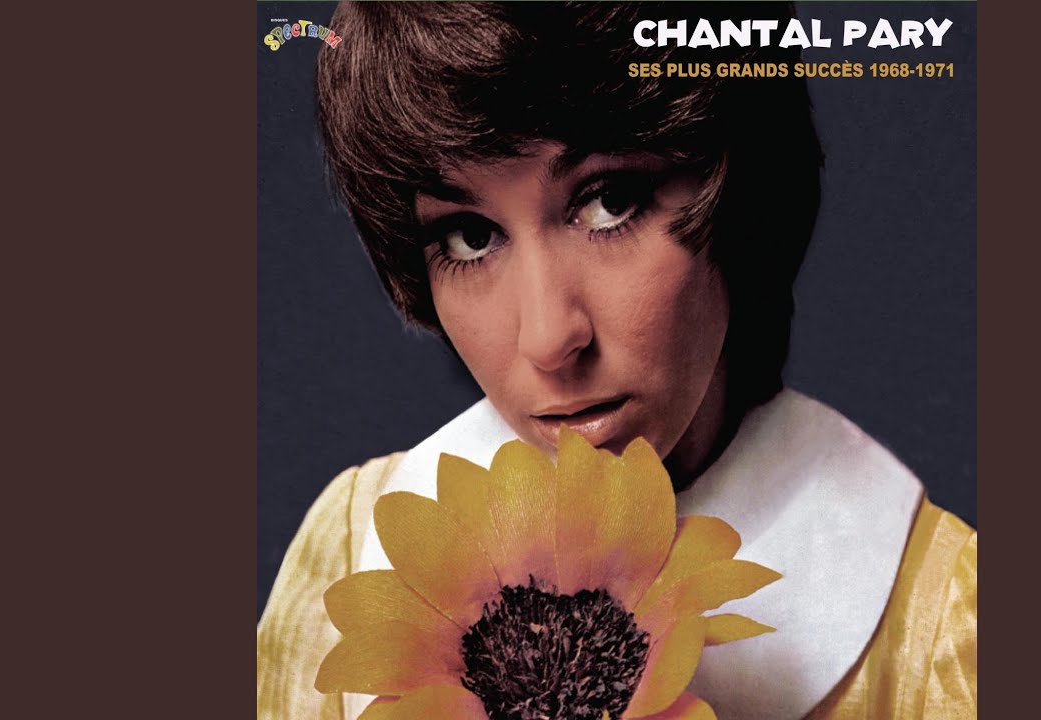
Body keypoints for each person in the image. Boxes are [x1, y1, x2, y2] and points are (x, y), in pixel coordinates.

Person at [257, 3, 976, 719]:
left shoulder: (944, 627)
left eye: (610, 201)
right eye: (470, 237)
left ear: (744, 189)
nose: (548, 338)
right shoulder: (348, 550)